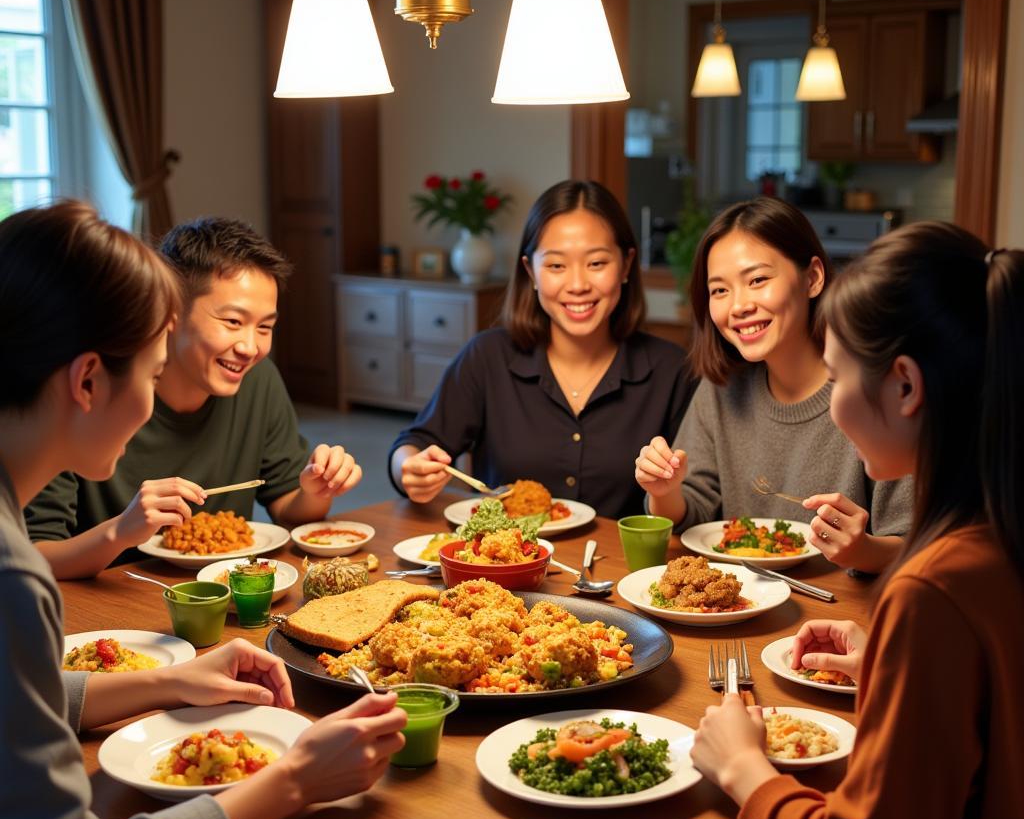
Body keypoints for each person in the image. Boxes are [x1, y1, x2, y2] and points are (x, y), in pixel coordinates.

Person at [0, 201, 407, 819]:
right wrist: (292, 783)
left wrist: (171, 681)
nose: (155, 396)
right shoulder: (15, 576)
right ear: (89, 380)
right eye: (153, 371)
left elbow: (16, 697)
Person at [690, 224, 1024, 819]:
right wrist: (889, 663)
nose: (832, 400)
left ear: (904, 385)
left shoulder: (934, 589)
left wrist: (744, 768)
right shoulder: (1000, 540)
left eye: (838, 379)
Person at [25, 216, 362, 578]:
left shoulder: (257, 379)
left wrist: (318, 488)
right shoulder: (96, 389)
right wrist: (121, 531)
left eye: (265, 327)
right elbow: (32, 557)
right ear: (171, 311)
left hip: (222, 594)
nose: (250, 347)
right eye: (233, 321)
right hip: (103, 605)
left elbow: (287, 505)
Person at [634, 197, 912, 573]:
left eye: (757, 280)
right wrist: (664, 492)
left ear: (812, 278)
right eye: (719, 290)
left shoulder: (873, 390)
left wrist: (862, 550)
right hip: (738, 604)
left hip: (842, 614)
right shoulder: (721, 388)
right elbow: (691, 516)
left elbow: (918, 546)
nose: (738, 306)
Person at [389, 180, 695, 519]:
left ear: (625, 266)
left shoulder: (671, 370)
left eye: (596, 263)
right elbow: (415, 443)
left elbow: (693, 498)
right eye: (556, 266)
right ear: (530, 271)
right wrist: (409, 469)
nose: (577, 285)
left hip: (623, 568)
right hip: (504, 561)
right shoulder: (488, 357)